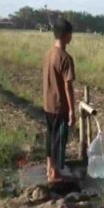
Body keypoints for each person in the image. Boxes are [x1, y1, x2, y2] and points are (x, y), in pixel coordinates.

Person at [42, 18, 76, 182]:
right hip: (59, 106)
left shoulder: (48, 54)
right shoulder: (65, 58)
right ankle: (54, 173)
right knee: (58, 140)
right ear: (67, 36)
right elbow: (68, 86)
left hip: (47, 104)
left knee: (50, 137)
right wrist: (71, 110)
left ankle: (49, 169)